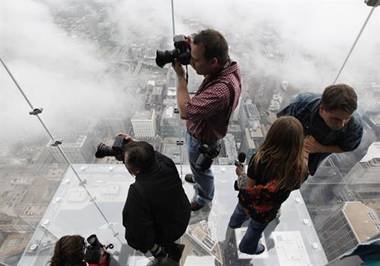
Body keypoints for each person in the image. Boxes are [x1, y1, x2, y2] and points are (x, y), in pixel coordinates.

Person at [172, 29, 242, 211]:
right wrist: (192, 44)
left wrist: (181, 78)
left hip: (203, 138)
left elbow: (186, 111)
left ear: (213, 62)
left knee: (202, 170)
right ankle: (196, 177)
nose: (191, 63)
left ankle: (204, 197)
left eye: (196, 60)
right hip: (204, 133)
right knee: (197, 169)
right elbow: (214, 45)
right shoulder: (228, 65)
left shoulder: (221, 91)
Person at [228, 116, 308, 255]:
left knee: (239, 213)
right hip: (267, 210)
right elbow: (293, 187)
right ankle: (247, 247)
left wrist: (241, 174)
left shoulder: (259, 159)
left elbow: (249, 187)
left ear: (271, 136)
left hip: (249, 203)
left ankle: (234, 225)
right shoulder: (300, 169)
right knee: (255, 229)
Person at [121, 134, 191, 266]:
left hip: (170, 231)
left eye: (125, 162)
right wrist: (134, 145)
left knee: (135, 234)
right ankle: (173, 251)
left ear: (135, 169)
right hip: (183, 214)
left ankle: (163, 256)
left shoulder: (137, 191)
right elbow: (152, 154)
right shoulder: (166, 163)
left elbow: (134, 227)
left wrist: (152, 247)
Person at [277, 83, 363, 176]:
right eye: (336, 119)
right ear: (322, 109)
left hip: (312, 158)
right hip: (286, 145)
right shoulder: (301, 105)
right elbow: (280, 124)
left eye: (346, 118)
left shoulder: (354, 126)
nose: (342, 124)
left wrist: (321, 148)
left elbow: (347, 147)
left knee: (296, 177)